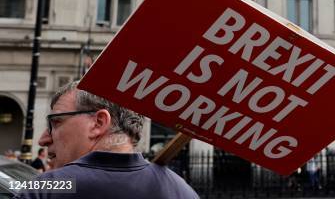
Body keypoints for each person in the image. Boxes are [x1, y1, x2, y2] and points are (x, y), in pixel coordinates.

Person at [15, 81, 199, 199]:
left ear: (98, 123)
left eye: (56, 122)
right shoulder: (182, 191)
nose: (43, 139)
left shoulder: (48, 188)